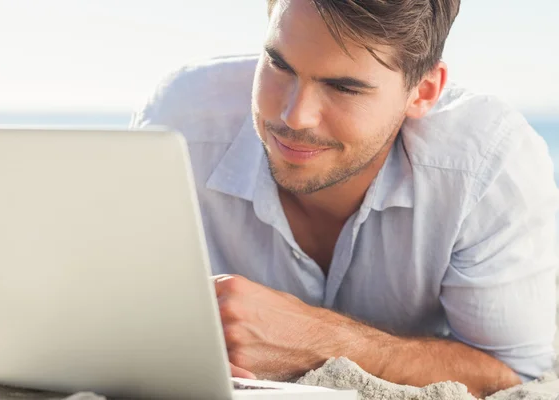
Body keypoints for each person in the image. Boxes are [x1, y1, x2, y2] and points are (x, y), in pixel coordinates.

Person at [130, 0, 559, 397]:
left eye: (344, 88)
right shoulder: (178, 124)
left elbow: (512, 372)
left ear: (423, 92)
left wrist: (318, 342)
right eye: (280, 64)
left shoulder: (486, 166)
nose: (294, 116)